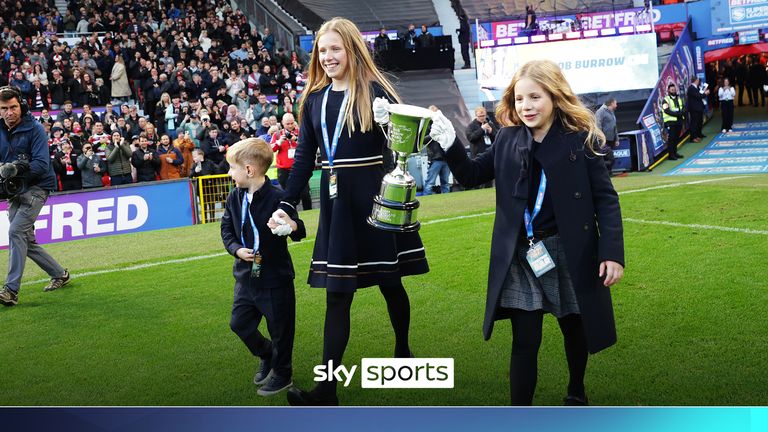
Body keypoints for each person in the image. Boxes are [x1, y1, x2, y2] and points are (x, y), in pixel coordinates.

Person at [429, 59, 624, 406]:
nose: (526, 106)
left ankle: (576, 391)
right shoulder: (506, 138)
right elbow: (472, 174)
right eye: (520, 99)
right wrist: (450, 142)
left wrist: (611, 252)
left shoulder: (580, 139)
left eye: (535, 97)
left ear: (554, 95)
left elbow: (606, 199)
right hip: (521, 255)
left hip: (568, 251)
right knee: (525, 338)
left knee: (573, 328)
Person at [274, 17, 429, 406]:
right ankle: (327, 389)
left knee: (392, 283)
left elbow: (403, 146)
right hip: (337, 206)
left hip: (376, 198)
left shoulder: (375, 91)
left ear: (352, 50)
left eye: (335, 49)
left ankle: (404, 355)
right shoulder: (312, 99)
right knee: (337, 295)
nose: (328, 57)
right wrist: (285, 202)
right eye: (322, 51)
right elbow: (306, 157)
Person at [221, 138, 306, 397]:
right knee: (239, 323)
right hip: (246, 276)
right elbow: (226, 229)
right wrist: (235, 248)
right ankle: (266, 353)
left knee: (280, 329)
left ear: (249, 170)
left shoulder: (279, 198)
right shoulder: (234, 197)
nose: (228, 173)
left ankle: (282, 373)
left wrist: (290, 226)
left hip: (274, 277)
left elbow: (299, 229)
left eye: (232, 168)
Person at [0, 86, 71, 306]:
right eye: (4, 108)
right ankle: (60, 274)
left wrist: (16, 168)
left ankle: (11, 291)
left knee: (15, 231)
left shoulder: (36, 128)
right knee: (25, 240)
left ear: (20, 105)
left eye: (13, 107)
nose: (9, 112)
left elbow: (41, 164)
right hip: (15, 189)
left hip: (38, 187)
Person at [270, 113, 311, 210]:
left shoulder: (301, 132)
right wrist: (279, 142)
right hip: (283, 170)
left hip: (300, 167)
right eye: (287, 124)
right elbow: (271, 149)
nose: (290, 125)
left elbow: (308, 146)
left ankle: (308, 212)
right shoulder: (277, 134)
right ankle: (291, 214)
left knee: (305, 193)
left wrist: (296, 139)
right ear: (283, 123)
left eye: (292, 123)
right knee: (287, 195)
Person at [466, 106, 497, 188]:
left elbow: (497, 139)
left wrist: (491, 132)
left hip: (490, 153)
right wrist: (482, 129)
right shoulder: (471, 126)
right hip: (478, 154)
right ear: (476, 115)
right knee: (480, 176)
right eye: (480, 116)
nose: (482, 118)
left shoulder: (490, 124)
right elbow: (471, 138)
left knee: (489, 175)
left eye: (484, 116)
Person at [423, 105, 452, 195]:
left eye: (436, 112)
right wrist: (432, 135)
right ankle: (426, 200)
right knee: (430, 183)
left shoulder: (443, 123)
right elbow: (422, 140)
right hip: (435, 158)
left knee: (446, 183)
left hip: (446, 157)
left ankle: (447, 202)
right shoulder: (426, 125)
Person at [595, 97, 618, 173]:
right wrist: (601, 139)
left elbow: (614, 126)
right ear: (611, 103)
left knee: (610, 158)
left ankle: (609, 172)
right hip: (603, 140)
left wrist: (616, 139)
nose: (616, 105)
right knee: (607, 158)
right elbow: (598, 125)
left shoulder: (611, 112)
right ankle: (603, 172)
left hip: (611, 139)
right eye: (615, 103)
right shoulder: (600, 111)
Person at [662, 83, 685, 160]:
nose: (674, 91)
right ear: (668, 90)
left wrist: (682, 113)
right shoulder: (665, 100)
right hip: (670, 122)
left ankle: (675, 153)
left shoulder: (679, 98)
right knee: (671, 139)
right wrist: (676, 114)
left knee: (676, 138)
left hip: (679, 121)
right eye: (672, 89)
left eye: (674, 89)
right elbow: (666, 110)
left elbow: (683, 107)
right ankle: (671, 155)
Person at [686, 77, 708, 143]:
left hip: (698, 108)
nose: (699, 81)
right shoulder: (691, 88)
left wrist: (704, 92)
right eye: (698, 80)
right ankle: (693, 137)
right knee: (694, 123)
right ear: (696, 80)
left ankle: (698, 135)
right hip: (694, 109)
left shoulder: (696, 87)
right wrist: (705, 94)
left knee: (699, 122)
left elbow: (700, 95)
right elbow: (699, 96)